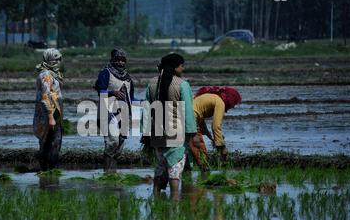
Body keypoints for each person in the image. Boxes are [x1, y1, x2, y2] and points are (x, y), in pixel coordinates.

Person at [142, 53, 197, 198]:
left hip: (156, 131)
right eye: (182, 65)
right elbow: (188, 111)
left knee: (160, 166)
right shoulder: (182, 84)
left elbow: (146, 110)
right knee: (175, 169)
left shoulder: (152, 83)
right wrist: (192, 133)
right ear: (175, 67)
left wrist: (145, 133)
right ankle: (174, 201)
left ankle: (156, 197)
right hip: (176, 131)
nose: (183, 68)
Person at [94, 48, 138, 173]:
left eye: (122, 60)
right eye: (117, 60)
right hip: (107, 111)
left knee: (121, 142)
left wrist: (144, 103)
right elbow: (100, 91)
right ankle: (107, 172)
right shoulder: (106, 73)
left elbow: (132, 97)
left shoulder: (128, 77)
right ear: (112, 60)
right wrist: (113, 92)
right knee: (112, 141)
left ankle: (113, 172)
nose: (120, 63)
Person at [190, 86, 242, 171]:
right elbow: (216, 126)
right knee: (200, 149)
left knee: (190, 147)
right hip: (190, 118)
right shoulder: (220, 102)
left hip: (187, 116)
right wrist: (221, 146)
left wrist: (210, 136)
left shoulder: (212, 97)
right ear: (230, 100)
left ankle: (191, 172)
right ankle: (205, 172)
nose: (232, 107)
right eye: (234, 104)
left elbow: (200, 117)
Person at [33, 48, 64, 171]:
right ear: (50, 60)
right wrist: (51, 118)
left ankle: (50, 173)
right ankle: (48, 172)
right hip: (47, 115)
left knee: (55, 143)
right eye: (56, 60)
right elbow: (46, 97)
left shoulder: (53, 74)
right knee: (49, 144)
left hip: (55, 112)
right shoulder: (45, 75)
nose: (58, 62)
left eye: (59, 60)